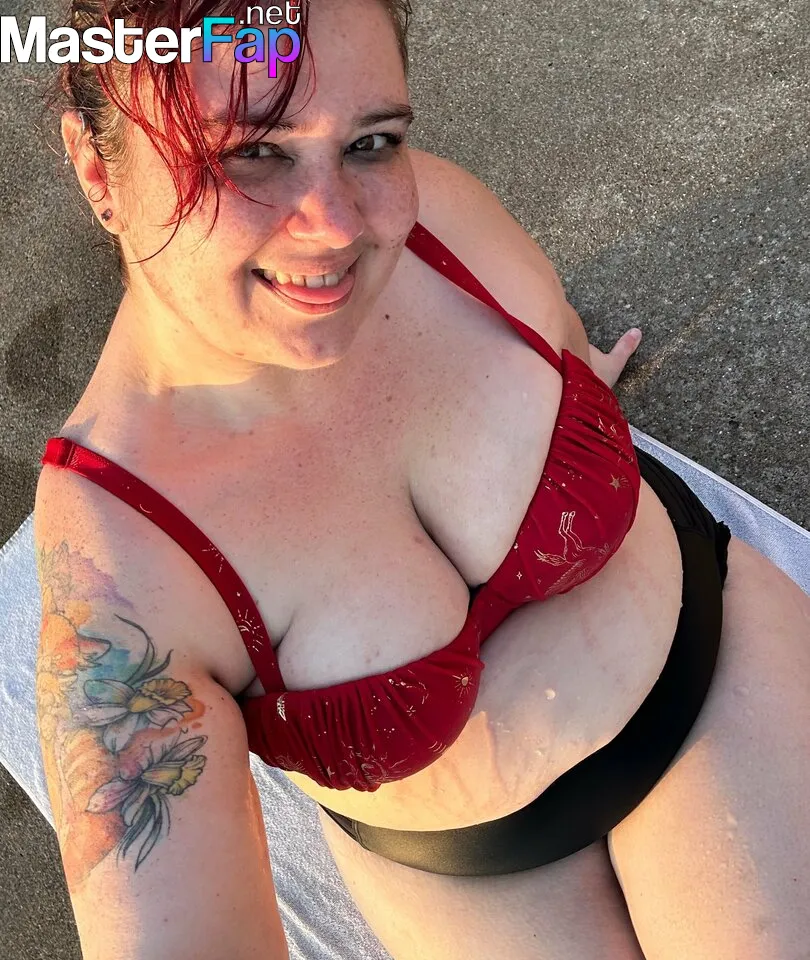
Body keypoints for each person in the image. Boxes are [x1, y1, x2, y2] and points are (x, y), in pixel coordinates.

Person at [33, 0, 809, 958]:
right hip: (480, 871)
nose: (338, 227)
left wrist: (565, 399)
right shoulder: (120, 568)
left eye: (370, 141)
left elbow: (551, 326)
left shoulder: (437, 220)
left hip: (717, 677)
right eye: (251, 154)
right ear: (97, 167)